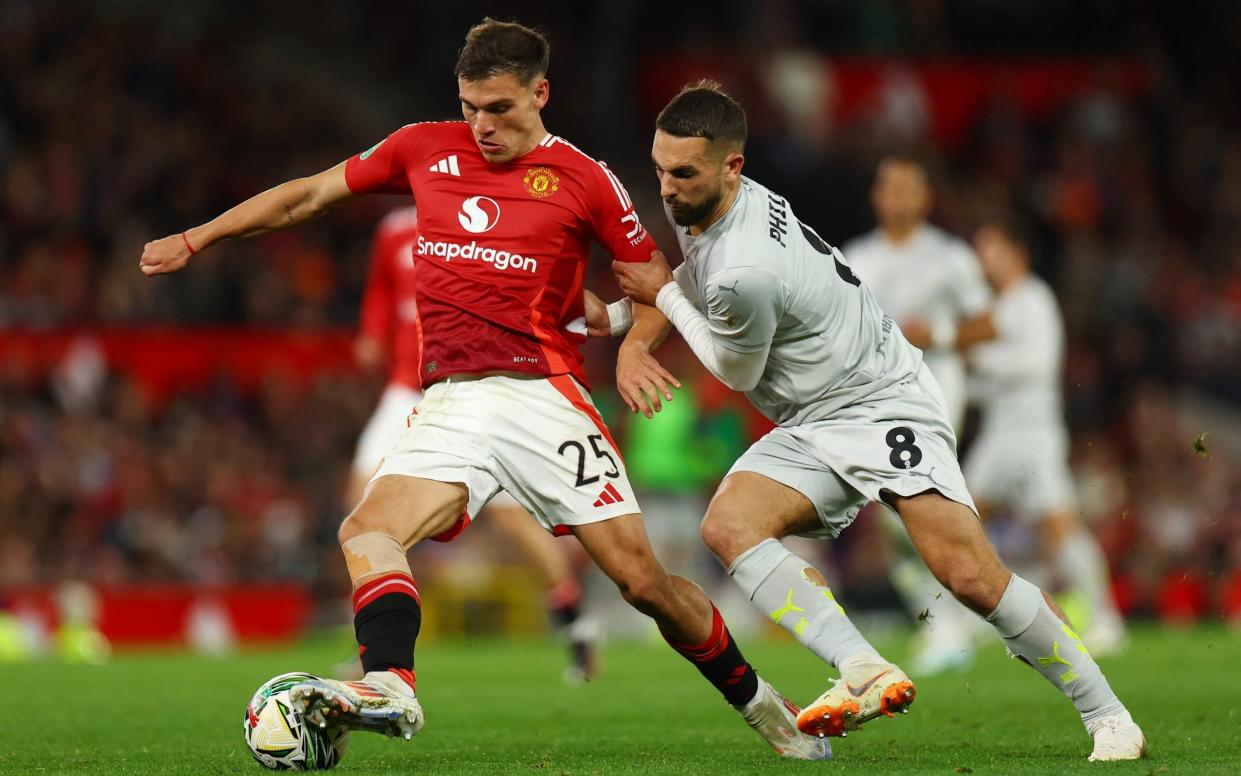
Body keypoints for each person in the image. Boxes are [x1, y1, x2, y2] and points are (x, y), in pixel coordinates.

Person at [139, 20, 827, 761]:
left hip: (545, 398)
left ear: (540, 93)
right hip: (452, 400)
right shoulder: (421, 147)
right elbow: (308, 196)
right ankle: (391, 684)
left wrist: (631, 349)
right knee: (366, 531)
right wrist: (197, 237)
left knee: (642, 583)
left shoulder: (586, 179)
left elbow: (653, 284)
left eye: (499, 107)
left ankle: (762, 705)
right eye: (470, 106)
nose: (482, 124)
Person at [610, 80, 1145, 761]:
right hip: (816, 414)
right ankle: (864, 667)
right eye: (658, 169)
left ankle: (1108, 715)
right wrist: (623, 321)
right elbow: (685, 284)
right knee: (730, 525)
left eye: (682, 173)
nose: (666, 187)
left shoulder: (745, 267)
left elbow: (732, 369)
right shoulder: (722, 212)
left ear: (731, 166)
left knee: (969, 575)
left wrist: (657, 297)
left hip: (879, 400)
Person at [348, 205, 598, 684]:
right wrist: (372, 334)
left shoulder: (482, 220)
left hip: (470, 387)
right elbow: (382, 292)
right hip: (407, 385)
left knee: (514, 521)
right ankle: (374, 640)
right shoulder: (393, 229)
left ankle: (576, 626)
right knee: (361, 504)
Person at [844, 158, 993, 674]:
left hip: (936, 384)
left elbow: (985, 324)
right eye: (890, 187)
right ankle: (946, 621)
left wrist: (940, 336)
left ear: (926, 198)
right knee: (891, 520)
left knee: (918, 501)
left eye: (909, 187)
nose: (899, 197)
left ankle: (953, 624)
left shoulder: (951, 257)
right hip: (875, 394)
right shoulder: (856, 257)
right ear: (877, 197)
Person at [960, 219, 1127, 654]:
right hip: (1000, 433)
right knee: (962, 519)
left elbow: (1038, 365)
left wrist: (979, 360)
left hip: (1034, 434)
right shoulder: (999, 306)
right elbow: (994, 380)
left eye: (989, 248)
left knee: (1060, 527)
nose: (982, 258)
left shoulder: (1034, 299)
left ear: (1016, 253)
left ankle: (1106, 619)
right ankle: (978, 616)